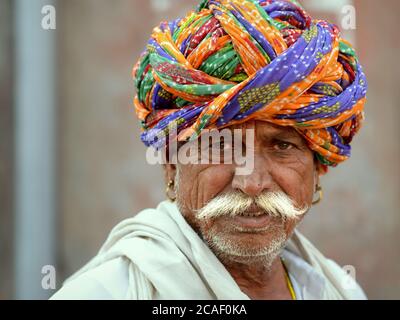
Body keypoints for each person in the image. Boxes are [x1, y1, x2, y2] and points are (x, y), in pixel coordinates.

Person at [51, 0, 367, 300]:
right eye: (220, 147)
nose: (252, 183)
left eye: (282, 146)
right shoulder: (105, 293)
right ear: (172, 166)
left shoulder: (338, 289)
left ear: (317, 169)